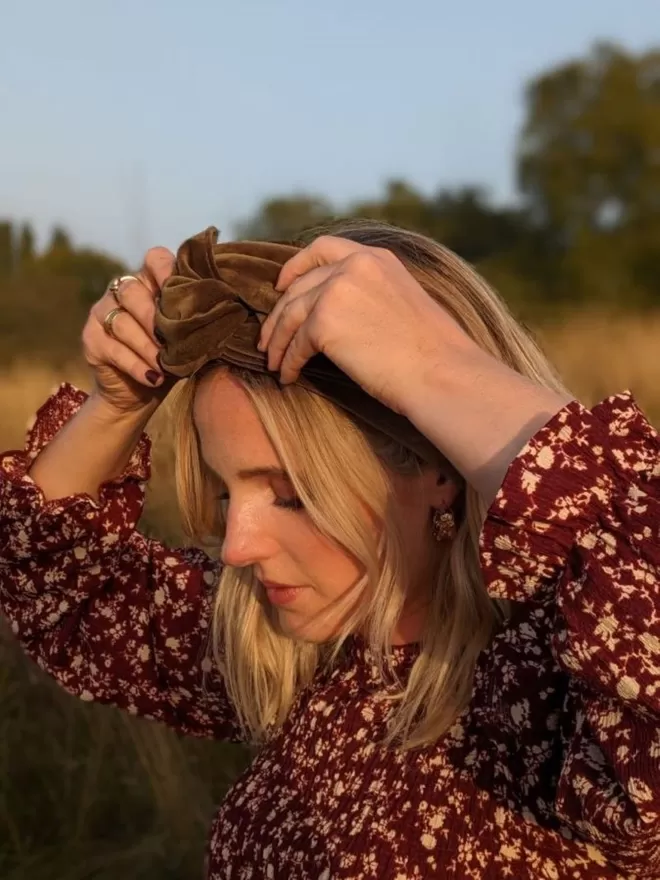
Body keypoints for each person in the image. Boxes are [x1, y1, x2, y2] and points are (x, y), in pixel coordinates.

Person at [1, 219, 658, 880]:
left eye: (289, 495)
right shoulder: (291, 649)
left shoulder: (565, 705)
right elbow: (61, 583)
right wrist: (117, 405)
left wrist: (437, 369)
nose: (236, 548)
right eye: (228, 494)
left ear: (436, 471)